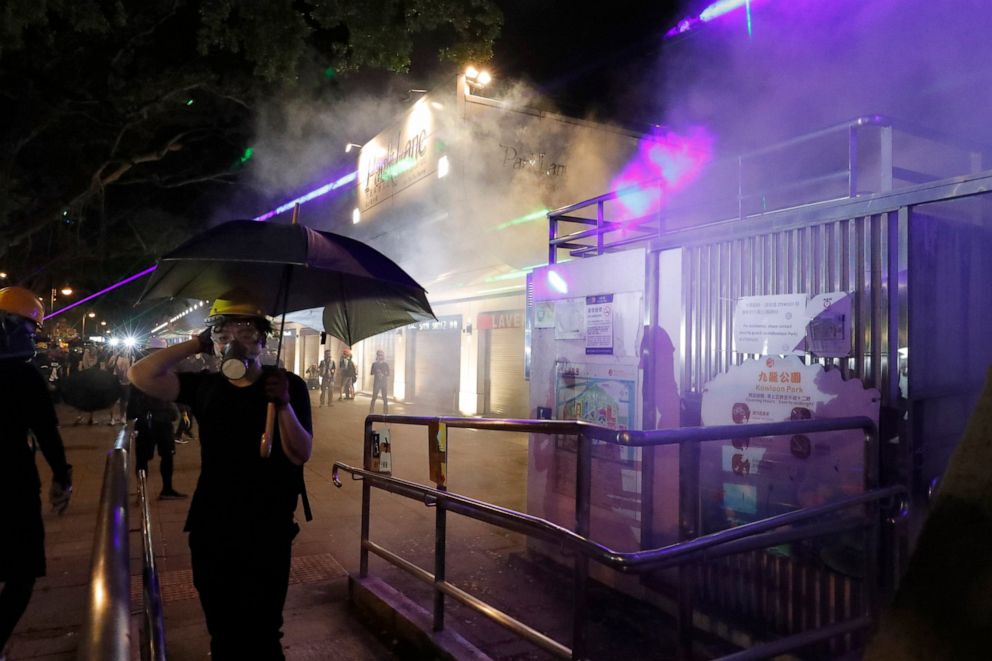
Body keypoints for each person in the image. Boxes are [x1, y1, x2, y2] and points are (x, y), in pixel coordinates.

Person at [128, 293, 312, 661]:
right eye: (224, 335)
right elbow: (140, 374)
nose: (234, 343)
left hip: (268, 527)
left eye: (245, 333)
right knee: (222, 629)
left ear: (263, 339)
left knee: (264, 631)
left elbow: (301, 453)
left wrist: (284, 403)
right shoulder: (204, 386)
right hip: (213, 525)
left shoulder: (287, 385)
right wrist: (198, 341)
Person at [0, 287, 72, 658]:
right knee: (21, 572)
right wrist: (63, 476)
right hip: (12, 485)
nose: (32, 340)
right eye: (29, 331)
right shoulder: (23, 377)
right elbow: (46, 432)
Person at [129, 340, 185, 500]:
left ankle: (158, 490)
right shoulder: (146, 370)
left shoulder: (143, 369)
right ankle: (154, 490)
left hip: (157, 418)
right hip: (152, 418)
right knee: (152, 456)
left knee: (158, 455)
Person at [369, 349, 391, 414]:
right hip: (376, 383)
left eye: (382, 355)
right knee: (374, 397)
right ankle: (371, 411)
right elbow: (371, 373)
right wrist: (376, 371)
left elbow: (388, 374)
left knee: (385, 398)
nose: (380, 356)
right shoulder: (374, 364)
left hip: (384, 383)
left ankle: (386, 412)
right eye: (379, 355)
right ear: (377, 356)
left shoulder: (386, 364)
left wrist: (383, 374)